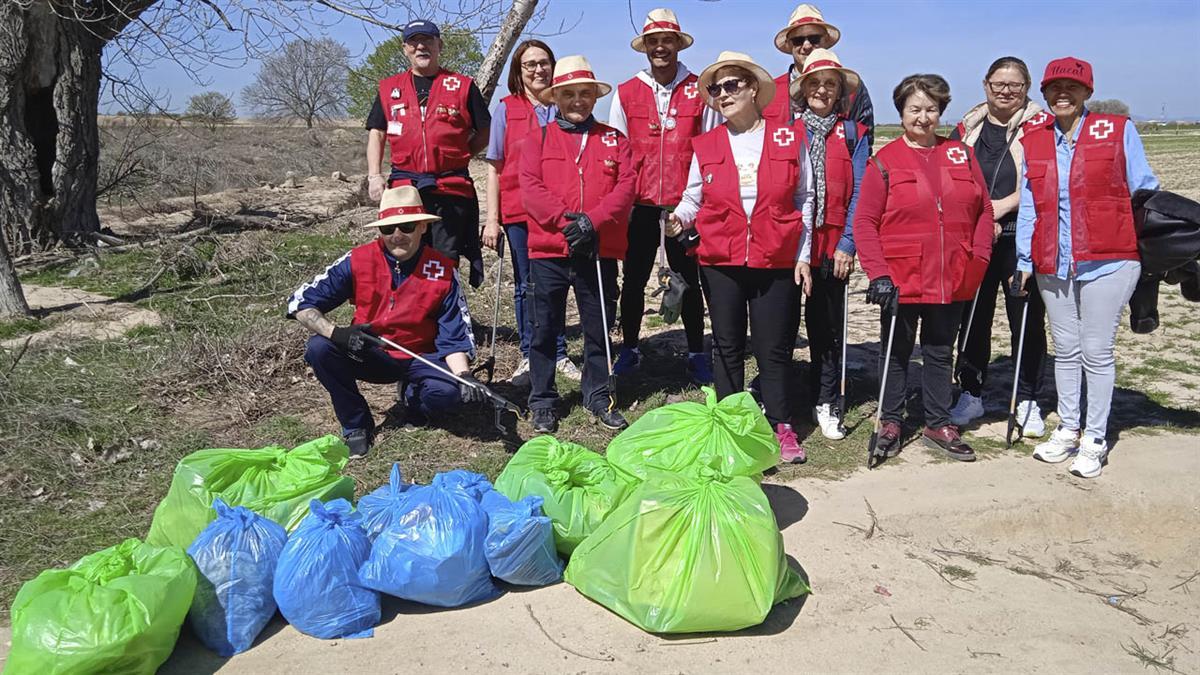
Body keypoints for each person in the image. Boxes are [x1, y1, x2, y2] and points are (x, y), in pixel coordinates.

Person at [668, 51, 815, 463]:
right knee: (727, 346)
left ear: (753, 88)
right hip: (721, 258)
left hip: (776, 258)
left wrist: (804, 255)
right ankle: (731, 426)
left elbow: (806, 197)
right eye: (716, 89)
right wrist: (677, 219)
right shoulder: (707, 142)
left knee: (773, 347)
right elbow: (692, 197)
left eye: (732, 85)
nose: (723, 94)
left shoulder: (789, 136)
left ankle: (781, 425)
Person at [1016, 57, 1159, 478]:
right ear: (1043, 93)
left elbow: (1144, 188)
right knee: (1066, 350)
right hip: (1052, 260)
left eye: (1072, 87)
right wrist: (1025, 258)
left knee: (1096, 350)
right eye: (1054, 87)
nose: (1063, 93)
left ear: (1086, 93)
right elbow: (1030, 203)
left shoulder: (1116, 130)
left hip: (1109, 258)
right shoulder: (1035, 138)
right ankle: (1068, 426)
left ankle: (1094, 436)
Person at [855, 74, 995, 462]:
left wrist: (979, 256)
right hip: (901, 276)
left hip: (952, 271)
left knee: (939, 350)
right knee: (897, 351)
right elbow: (865, 221)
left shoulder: (960, 155)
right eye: (914, 109)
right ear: (901, 112)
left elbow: (983, 209)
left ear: (941, 112)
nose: (923, 117)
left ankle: (937, 419)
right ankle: (890, 420)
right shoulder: (885, 161)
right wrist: (879, 273)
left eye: (931, 109)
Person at [288, 186, 484, 459]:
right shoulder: (358, 260)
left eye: (406, 226)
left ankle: (413, 399)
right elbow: (299, 303)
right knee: (319, 348)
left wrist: (464, 376)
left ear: (423, 227)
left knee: (448, 395)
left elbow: (454, 334)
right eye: (388, 229)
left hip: (421, 356)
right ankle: (356, 424)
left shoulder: (442, 271)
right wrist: (337, 333)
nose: (397, 236)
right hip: (372, 353)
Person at [519, 55, 637, 433]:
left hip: (597, 249)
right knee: (544, 327)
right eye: (569, 93)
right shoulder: (536, 139)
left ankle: (598, 394)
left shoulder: (614, 140)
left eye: (585, 93)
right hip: (549, 249)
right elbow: (530, 188)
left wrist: (593, 221)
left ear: (594, 97)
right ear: (556, 97)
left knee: (598, 325)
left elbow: (626, 187)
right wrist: (567, 222)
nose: (577, 101)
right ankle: (542, 399)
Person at [606, 9, 714, 385]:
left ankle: (698, 352)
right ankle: (630, 347)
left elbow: (710, 148)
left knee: (688, 280)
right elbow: (616, 149)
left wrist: (697, 202)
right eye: (654, 41)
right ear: (645, 47)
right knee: (633, 279)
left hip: (684, 204)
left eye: (667, 40)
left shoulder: (700, 89)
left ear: (678, 44)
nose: (660, 47)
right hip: (639, 205)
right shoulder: (626, 91)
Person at [948, 57, 1049, 435]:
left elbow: (1040, 179)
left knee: (1025, 319)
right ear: (985, 84)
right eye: (998, 84)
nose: (1006, 91)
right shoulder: (967, 129)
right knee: (973, 319)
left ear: (1027, 88)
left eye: (1015, 85)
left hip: (1019, 238)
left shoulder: (1039, 128)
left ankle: (1027, 399)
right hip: (975, 239)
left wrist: (999, 209)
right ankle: (971, 392)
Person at [482, 40, 582, 385]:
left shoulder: (566, 106)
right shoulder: (506, 110)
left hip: (560, 213)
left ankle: (559, 352)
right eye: (530, 65)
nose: (539, 70)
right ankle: (530, 354)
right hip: (519, 213)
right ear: (518, 72)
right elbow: (494, 167)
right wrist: (492, 219)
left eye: (544, 63)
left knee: (557, 283)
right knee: (527, 286)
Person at [365, 19, 489, 288]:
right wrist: (374, 175)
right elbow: (377, 132)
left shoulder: (462, 85)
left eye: (428, 40)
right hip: (404, 189)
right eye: (414, 41)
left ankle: (448, 320)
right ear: (405, 49)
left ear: (439, 45)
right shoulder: (389, 88)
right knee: (405, 254)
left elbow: (485, 131)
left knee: (445, 257)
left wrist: (460, 154)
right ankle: (412, 321)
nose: (421, 46)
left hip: (450, 188)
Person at [789, 49, 870, 440]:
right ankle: (782, 396)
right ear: (803, 89)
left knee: (827, 328)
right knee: (785, 325)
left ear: (840, 91)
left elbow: (860, 194)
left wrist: (848, 244)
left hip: (833, 245)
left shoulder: (854, 133)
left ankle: (825, 399)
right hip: (792, 244)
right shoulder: (788, 132)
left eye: (830, 84)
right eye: (815, 82)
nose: (822, 89)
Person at [766, 4, 874, 147]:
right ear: (789, 44)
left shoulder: (853, 89)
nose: (806, 45)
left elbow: (865, 141)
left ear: (826, 41)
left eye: (814, 38)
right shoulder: (769, 91)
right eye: (798, 40)